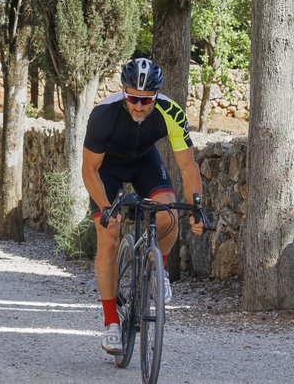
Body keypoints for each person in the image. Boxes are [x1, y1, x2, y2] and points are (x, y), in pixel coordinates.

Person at [82, 57, 204, 354]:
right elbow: (89, 170)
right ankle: (111, 323)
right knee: (108, 238)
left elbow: (188, 167)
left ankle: (158, 268)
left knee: (169, 215)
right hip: (107, 169)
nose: (139, 106)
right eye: (134, 99)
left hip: (144, 163)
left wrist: (197, 207)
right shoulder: (103, 114)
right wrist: (106, 208)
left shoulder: (170, 112)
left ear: (156, 96)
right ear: (124, 93)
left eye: (146, 100)